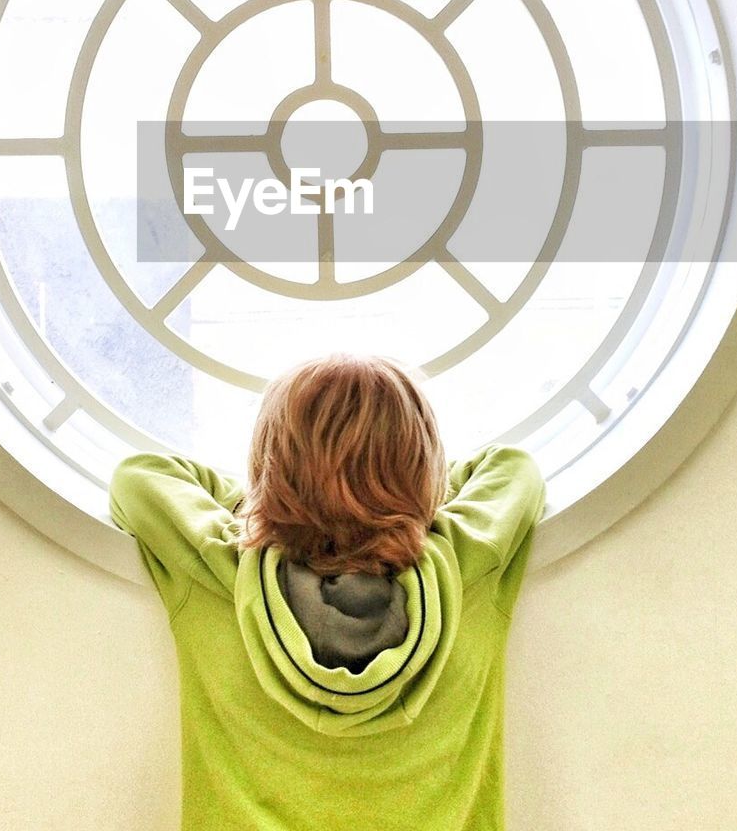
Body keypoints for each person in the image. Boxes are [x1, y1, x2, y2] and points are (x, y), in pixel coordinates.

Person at [109, 351, 545, 831]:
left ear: (270, 466)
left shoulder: (216, 567)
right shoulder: (470, 561)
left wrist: (275, 504)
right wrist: (403, 499)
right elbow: (512, 466)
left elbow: (139, 474)